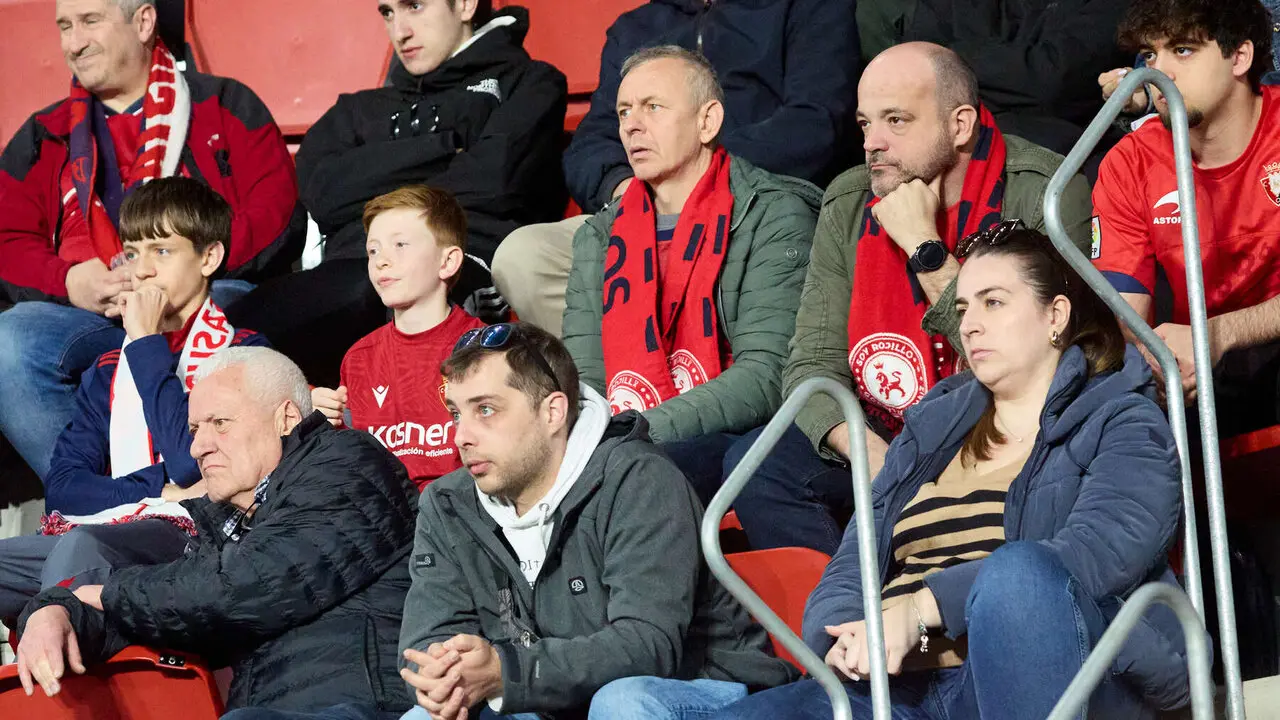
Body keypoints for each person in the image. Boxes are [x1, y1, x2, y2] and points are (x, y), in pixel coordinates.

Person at [711, 225, 1191, 720]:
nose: (970, 326)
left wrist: (922, 610)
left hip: (1047, 670)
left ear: (1056, 315)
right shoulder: (931, 429)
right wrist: (840, 631)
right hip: (905, 684)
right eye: (962, 310)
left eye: (993, 302)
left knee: (1018, 574)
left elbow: (1099, 553)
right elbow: (856, 552)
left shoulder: (1121, 417)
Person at [724, 42, 1095, 555]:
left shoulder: (1046, 193)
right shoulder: (849, 200)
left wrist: (926, 248)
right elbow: (812, 365)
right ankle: (855, 602)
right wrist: (876, 459)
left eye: (896, 120)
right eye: (864, 123)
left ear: (960, 125)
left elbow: (1041, 370)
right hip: (890, 432)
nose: (872, 143)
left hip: (1002, 427)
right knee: (757, 467)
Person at [389, 323, 792, 720]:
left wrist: (508, 672)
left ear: (552, 412)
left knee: (621, 703)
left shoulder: (639, 479)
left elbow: (647, 646)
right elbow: (427, 638)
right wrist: (443, 675)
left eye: (486, 410)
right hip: (552, 697)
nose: (461, 436)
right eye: (456, 413)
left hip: (702, 688)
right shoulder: (447, 505)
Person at [13, 347, 418, 715]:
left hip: (366, 706)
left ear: (287, 418)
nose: (197, 447)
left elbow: (247, 584)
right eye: (194, 430)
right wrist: (57, 609)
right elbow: (163, 606)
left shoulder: (347, 462)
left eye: (219, 423)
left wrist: (101, 593)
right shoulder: (223, 521)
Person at [0, 0, 304, 480]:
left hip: (204, 290)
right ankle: (99, 493)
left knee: (222, 313)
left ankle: (203, 484)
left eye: (90, 22)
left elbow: (275, 207)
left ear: (143, 22)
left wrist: (182, 270)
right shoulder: (44, 134)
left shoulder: (222, 105)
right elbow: (7, 238)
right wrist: (70, 281)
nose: (74, 43)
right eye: (64, 26)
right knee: (10, 341)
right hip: (89, 313)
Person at [233, 0, 567, 386]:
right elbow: (322, 193)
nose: (400, 31)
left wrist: (373, 171)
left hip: (455, 264)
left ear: (464, 5)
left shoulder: (530, 83)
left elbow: (494, 181)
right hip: (343, 273)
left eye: (415, 6)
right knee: (221, 328)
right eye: (388, 13)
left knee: (368, 292)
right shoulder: (356, 109)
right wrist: (447, 146)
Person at [493, 0, 860, 337]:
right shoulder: (635, 28)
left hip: (754, 210)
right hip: (645, 213)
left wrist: (700, 176)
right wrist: (622, 188)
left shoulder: (807, 7)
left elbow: (816, 122)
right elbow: (593, 141)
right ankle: (625, 378)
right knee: (525, 257)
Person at [0, 177, 268, 620]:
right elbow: (63, 492)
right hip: (118, 529)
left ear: (209, 257)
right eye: (131, 253)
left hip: (202, 541)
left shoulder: (245, 353)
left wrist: (145, 342)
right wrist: (159, 489)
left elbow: (191, 460)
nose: (141, 271)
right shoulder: (109, 367)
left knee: (82, 548)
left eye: (161, 251)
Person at [561, 46, 818, 502]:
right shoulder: (598, 236)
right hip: (627, 439)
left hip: (736, 437)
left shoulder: (772, 214)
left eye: (653, 107)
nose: (632, 125)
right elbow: (586, 380)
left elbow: (766, 376)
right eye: (624, 112)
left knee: (624, 481)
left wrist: (634, 430)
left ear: (708, 121)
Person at [1092, 0, 1280, 437]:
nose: (1159, 73)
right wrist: (1157, 362)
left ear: (1240, 57)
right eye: (1150, 55)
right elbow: (1127, 315)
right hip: (1197, 363)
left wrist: (1220, 333)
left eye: (1183, 50)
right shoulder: (1130, 163)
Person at [310, 185, 484, 491]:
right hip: (380, 509)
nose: (381, 261)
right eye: (373, 250)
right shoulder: (359, 358)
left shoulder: (483, 349)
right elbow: (354, 465)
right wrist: (326, 423)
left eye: (400, 245)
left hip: (457, 506)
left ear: (447, 262)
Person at [855, 0, 1134, 157]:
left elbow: (1052, 82)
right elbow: (919, 70)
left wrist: (953, 59)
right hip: (947, 150)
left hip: (1054, 155)